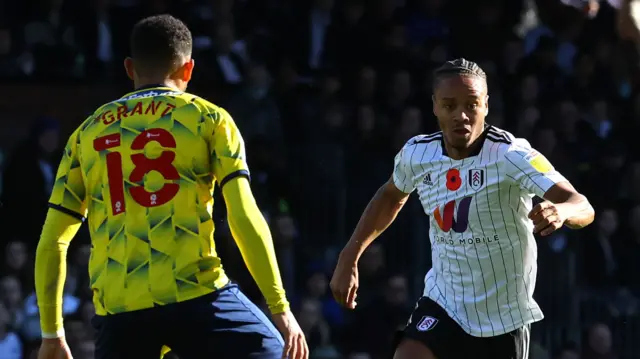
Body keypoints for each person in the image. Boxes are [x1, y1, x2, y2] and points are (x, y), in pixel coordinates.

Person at [35, 15, 308, 359]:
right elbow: (242, 214)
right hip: (196, 296)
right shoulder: (209, 118)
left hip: (120, 310)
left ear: (129, 68)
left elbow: (53, 241)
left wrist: (52, 332)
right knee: (279, 351)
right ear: (189, 69)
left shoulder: (87, 133)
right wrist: (279, 305)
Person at [330, 58, 595, 359]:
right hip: (444, 302)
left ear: (486, 105)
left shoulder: (511, 155)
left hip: (502, 316)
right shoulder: (417, 154)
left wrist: (561, 212)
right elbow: (391, 195)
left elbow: (581, 204)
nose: (461, 115)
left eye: (471, 104)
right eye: (449, 105)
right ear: (434, 106)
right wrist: (349, 256)